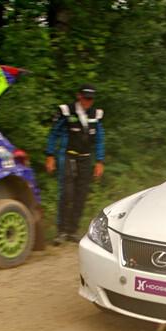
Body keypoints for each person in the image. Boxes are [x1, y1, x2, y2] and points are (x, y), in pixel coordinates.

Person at [45, 84, 105, 244]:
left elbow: (99, 139)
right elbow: (54, 134)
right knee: (67, 193)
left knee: (81, 194)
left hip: (86, 158)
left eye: (91, 99)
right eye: (86, 98)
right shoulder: (67, 111)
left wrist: (100, 161)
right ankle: (61, 231)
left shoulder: (96, 114)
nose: (88, 102)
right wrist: (50, 155)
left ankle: (72, 230)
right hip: (68, 156)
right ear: (79, 96)